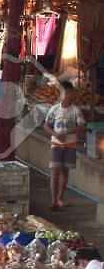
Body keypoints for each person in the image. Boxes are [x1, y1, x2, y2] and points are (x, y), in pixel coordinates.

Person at [44, 82, 86, 210]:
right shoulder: (54, 109)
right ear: (61, 94)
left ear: (72, 93)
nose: (68, 95)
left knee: (64, 172)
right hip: (56, 144)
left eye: (69, 92)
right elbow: (46, 126)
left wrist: (68, 132)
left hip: (70, 144)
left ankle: (60, 198)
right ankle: (54, 201)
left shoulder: (75, 110)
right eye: (65, 92)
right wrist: (55, 134)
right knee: (55, 171)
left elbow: (81, 126)